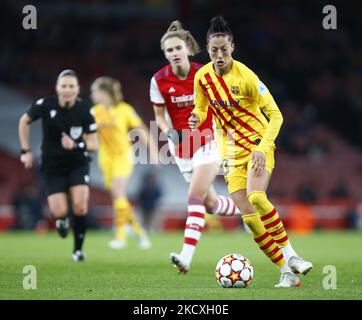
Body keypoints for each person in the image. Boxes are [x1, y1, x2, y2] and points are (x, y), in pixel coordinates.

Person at [189, 16, 313, 287]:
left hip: (257, 145)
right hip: (230, 154)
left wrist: (262, 146)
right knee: (250, 219)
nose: (219, 55)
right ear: (207, 50)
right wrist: (197, 118)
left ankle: (292, 255)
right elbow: (200, 108)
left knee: (257, 197)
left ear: (232, 46)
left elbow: (276, 115)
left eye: (224, 49)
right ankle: (287, 272)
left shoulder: (247, 77)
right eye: (213, 51)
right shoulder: (202, 78)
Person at [150, 21, 241, 274]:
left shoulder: (205, 72)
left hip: (208, 140)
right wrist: (168, 132)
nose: (174, 53)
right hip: (180, 147)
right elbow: (158, 115)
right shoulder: (158, 80)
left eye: (178, 48)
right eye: (169, 51)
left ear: (188, 48)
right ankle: (250, 209)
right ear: (165, 54)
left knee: (194, 196)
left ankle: (186, 256)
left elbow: (223, 103)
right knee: (210, 205)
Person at [18, 69, 98, 262]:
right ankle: (62, 221)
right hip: (52, 167)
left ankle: (78, 250)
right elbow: (24, 120)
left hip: (77, 164)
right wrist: (25, 151)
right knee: (59, 211)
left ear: (78, 89)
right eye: (64, 86)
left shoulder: (85, 110)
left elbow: (94, 144)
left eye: (71, 86)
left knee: (80, 207)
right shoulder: (45, 105)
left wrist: (77, 144)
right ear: (57, 88)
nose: (67, 90)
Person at [91, 76, 156, 250]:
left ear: (104, 92)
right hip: (105, 159)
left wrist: (154, 150)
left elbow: (141, 129)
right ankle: (140, 233)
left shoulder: (124, 109)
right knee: (118, 197)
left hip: (123, 156)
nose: (92, 94)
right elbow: (90, 135)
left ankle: (120, 236)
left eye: (95, 91)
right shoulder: (95, 111)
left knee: (118, 191)